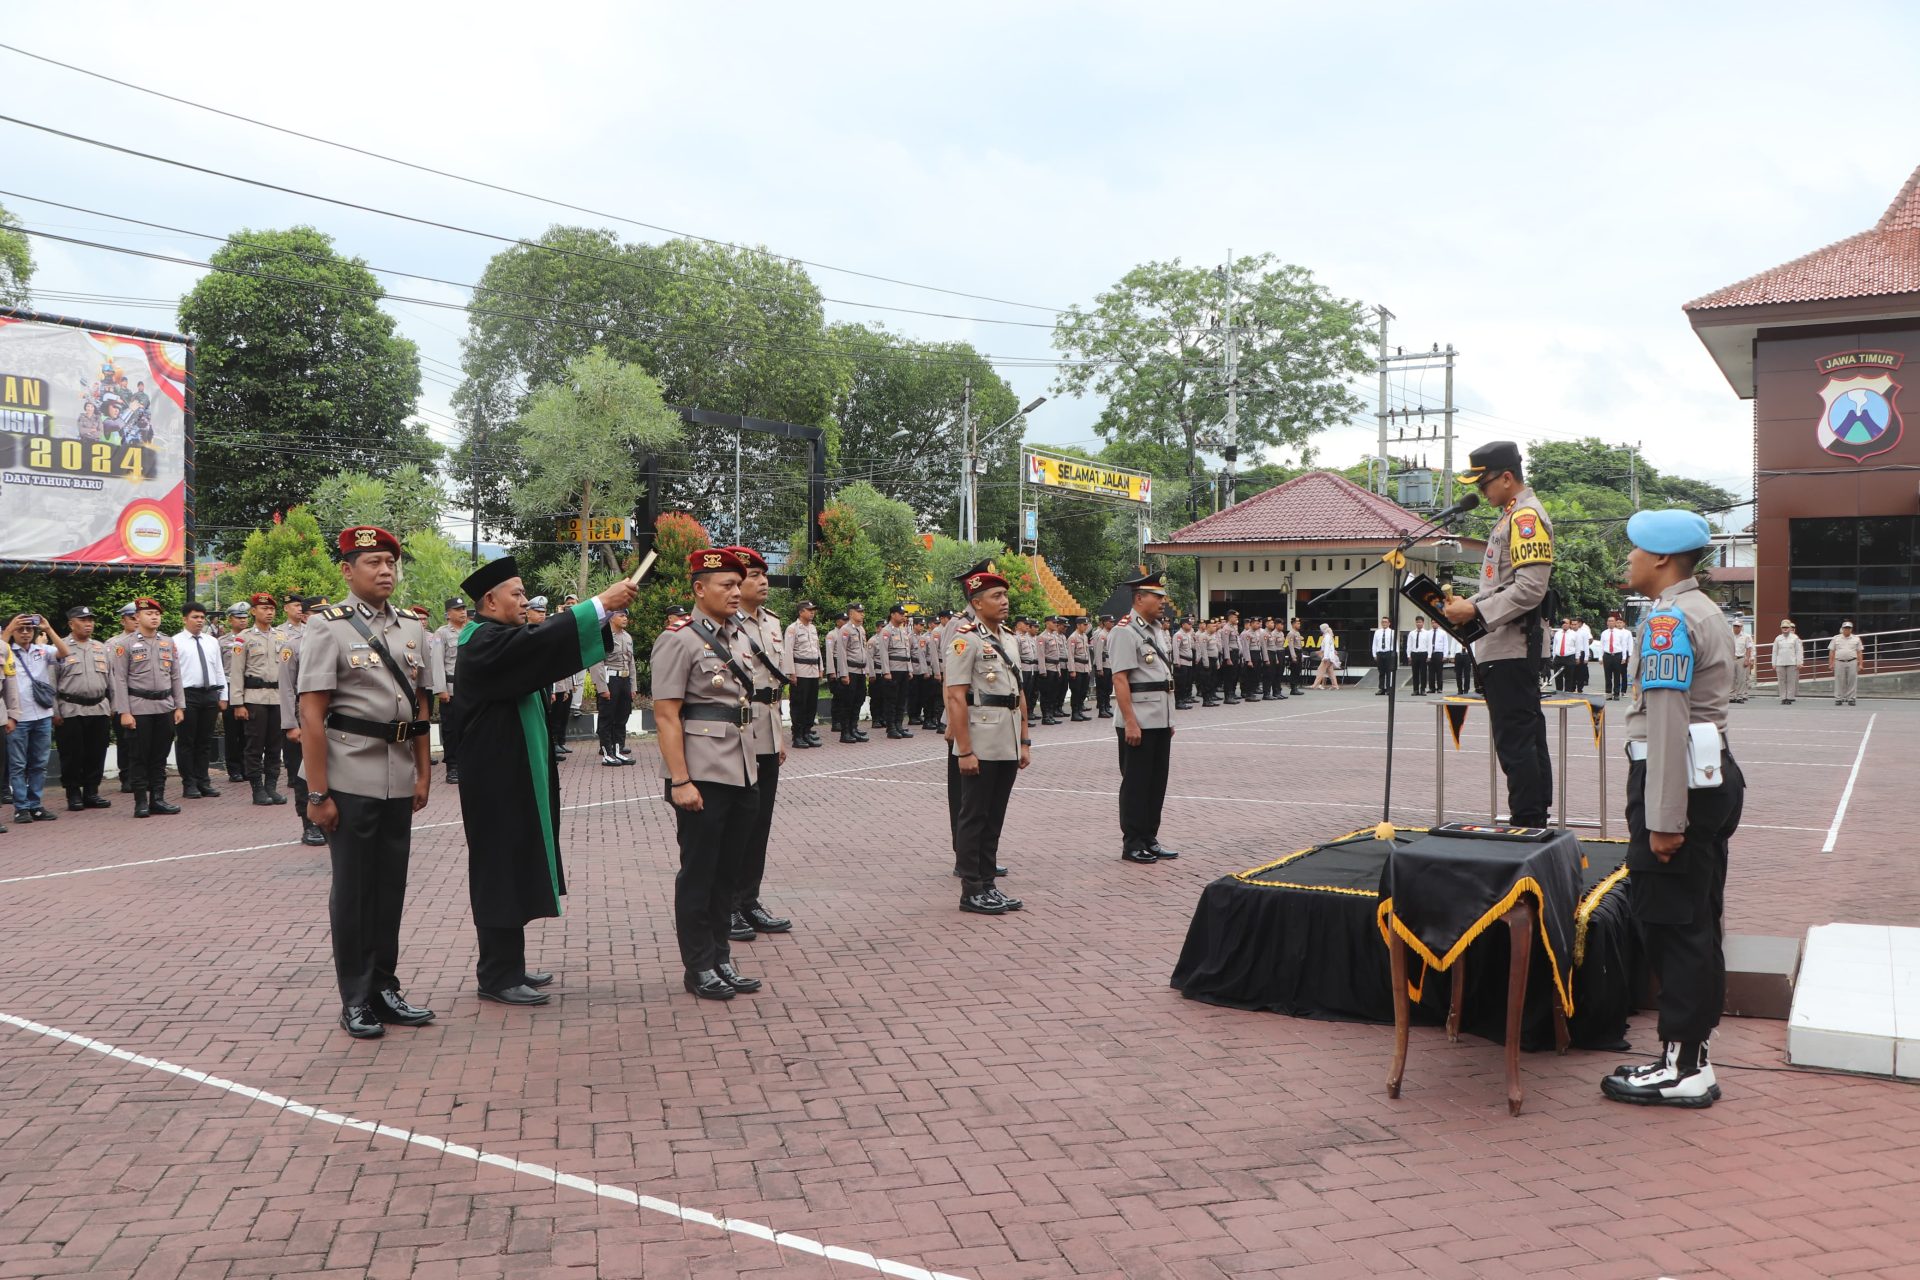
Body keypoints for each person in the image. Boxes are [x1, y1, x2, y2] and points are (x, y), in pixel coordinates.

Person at [448, 556, 633, 1009]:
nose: (525, 600)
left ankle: (510, 963)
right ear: (489, 600)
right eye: (516, 593)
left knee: (515, 865)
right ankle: (496, 974)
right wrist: (597, 605)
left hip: (515, 775)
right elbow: (539, 643)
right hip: (495, 782)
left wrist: (602, 615)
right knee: (498, 871)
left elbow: (542, 650)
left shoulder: (503, 639)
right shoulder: (481, 642)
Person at [1602, 509, 1741, 1109]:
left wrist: (1663, 818)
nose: (1626, 560)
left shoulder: (1669, 621)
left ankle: (1683, 1066)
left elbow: (1665, 722)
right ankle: (1692, 1057)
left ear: (1660, 559)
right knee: (1697, 920)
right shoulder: (1703, 610)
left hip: (1677, 779)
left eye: (1633, 551)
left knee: (1673, 924)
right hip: (1705, 775)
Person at [298, 527, 437, 1038]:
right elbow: (312, 715)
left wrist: (423, 771)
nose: (385, 571)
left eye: (390, 563)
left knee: (389, 889)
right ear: (347, 569)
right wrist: (317, 792)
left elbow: (421, 706)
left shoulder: (412, 629)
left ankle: (384, 987)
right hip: (349, 774)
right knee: (355, 890)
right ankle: (355, 998)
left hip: (397, 775)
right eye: (373, 561)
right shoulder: (326, 627)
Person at [651, 547, 764, 1001]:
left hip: (740, 769)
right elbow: (665, 715)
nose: (736, 592)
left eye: (739, 585)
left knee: (727, 872)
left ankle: (721, 957)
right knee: (698, 872)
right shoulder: (678, 640)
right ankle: (698, 966)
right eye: (727, 585)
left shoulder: (737, 636)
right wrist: (680, 780)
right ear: (700, 589)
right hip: (700, 773)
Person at [1444, 441, 1556, 827]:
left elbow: (1530, 589)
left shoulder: (1526, 518)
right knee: (1522, 738)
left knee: (1516, 741)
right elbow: (1501, 587)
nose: (1481, 492)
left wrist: (1475, 610)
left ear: (1507, 478)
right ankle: (1533, 817)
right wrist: (1469, 605)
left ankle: (1528, 824)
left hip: (1512, 647)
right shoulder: (1512, 515)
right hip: (1502, 645)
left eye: (1485, 482)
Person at [946, 565, 1031, 914]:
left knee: (994, 815)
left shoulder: (1008, 638)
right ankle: (971, 888)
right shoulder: (966, 638)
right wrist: (964, 750)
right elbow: (955, 697)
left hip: (1007, 738)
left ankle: (989, 883)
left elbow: (1019, 691)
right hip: (980, 739)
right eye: (996, 596)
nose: (1004, 601)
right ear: (977, 603)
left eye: (1005, 595)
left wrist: (1025, 739)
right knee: (974, 815)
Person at [723, 545, 794, 942]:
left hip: (766, 732)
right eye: (753, 576)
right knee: (737, 823)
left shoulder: (771, 623)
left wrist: (779, 736)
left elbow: (774, 689)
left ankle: (749, 900)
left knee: (760, 822)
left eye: (764, 575)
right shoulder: (726, 624)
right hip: (737, 736)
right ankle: (729, 905)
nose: (763, 581)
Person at [1110, 573, 1178, 864]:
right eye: (1157, 596)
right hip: (1138, 719)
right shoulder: (1125, 631)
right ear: (1139, 598)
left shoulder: (1155, 629)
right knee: (1136, 783)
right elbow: (1121, 679)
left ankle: (1150, 837)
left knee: (1156, 783)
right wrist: (1131, 722)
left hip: (1159, 718)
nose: (1162, 601)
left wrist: (1169, 718)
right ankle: (1133, 841)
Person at [109, 598, 184, 818]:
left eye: (157, 614)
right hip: (138, 708)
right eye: (148, 613)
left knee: (160, 757)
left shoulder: (168, 643)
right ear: (137, 617)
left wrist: (179, 706)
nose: (154, 617)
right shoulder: (125, 644)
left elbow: (175, 676)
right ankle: (141, 801)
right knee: (139, 757)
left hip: (164, 707)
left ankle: (158, 799)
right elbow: (119, 680)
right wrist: (124, 711)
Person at [274, 596, 328, 846]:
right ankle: (309, 824)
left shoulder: (334, 643)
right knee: (302, 774)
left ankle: (327, 821)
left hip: (330, 716)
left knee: (330, 770)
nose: (326, 616)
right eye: (319, 612)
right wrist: (290, 724)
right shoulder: (293, 646)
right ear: (305, 616)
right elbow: (285, 688)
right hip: (301, 714)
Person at [229, 592, 289, 807]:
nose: (269, 612)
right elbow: (236, 672)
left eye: (272, 609)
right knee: (254, 745)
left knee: (275, 746)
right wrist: (238, 703)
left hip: (278, 698)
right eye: (264, 608)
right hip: (254, 698)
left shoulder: (282, 636)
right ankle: (257, 788)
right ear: (254, 611)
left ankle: (271, 786)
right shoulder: (243, 638)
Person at [7, 614, 68, 823]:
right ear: (13, 631)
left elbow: (64, 652)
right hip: (17, 716)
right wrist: (8, 629)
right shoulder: (6, 650)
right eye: (20, 629)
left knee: (39, 764)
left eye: (29, 630)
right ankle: (21, 808)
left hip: (42, 715)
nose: (25, 633)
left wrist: (49, 629)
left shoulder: (41, 650)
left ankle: (36, 805)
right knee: (17, 764)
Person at [53, 606, 111, 813]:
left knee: (96, 753)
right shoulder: (59, 648)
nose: (89, 624)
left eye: (91, 620)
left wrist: (114, 706)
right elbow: (51, 683)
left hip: (99, 708)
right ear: (71, 624)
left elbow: (110, 680)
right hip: (71, 708)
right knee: (72, 755)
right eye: (83, 620)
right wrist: (55, 711)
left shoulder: (100, 647)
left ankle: (91, 792)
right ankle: (73, 794)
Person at [172, 601, 228, 800]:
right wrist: (176, 702)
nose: (199, 621)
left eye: (202, 617)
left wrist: (223, 695)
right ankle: (189, 783)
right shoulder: (175, 642)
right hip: (187, 695)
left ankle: (204, 781)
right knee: (187, 741)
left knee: (205, 741)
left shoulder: (212, 641)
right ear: (184, 619)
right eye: (195, 617)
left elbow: (218, 669)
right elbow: (172, 673)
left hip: (209, 694)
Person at [591, 607, 637, 765]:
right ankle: (607, 753)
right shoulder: (603, 637)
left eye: (626, 616)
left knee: (622, 717)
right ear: (611, 617)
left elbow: (631, 663)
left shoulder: (627, 637)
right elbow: (597, 663)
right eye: (621, 615)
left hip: (624, 681)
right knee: (607, 718)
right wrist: (602, 688)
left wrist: (633, 686)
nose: (625, 618)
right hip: (610, 680)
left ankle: (618, 751)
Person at [433, 597, 468, 783]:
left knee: (469, 728)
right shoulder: (442, 633)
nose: (462, 611)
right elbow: (437, 662)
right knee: (451, 730)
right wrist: (441, 689)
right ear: (448, 613)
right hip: (451, 688)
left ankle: (468, 764)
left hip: (469, 689)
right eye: (457, 609)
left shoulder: (471, 629)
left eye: (463, 608)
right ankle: (452, 767)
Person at [827, 604, 871, 743]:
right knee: (848, 702)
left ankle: (854, 728)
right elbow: (841, 652)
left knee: (859, 699)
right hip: (850, 671)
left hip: (860, 671)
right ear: (851, 614)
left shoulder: (861, 629)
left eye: (863, 612)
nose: (862, 614)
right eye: (859, 612)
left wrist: (867, 670)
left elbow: (864, 651)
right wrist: (843, 674)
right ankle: (845, 732)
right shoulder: (845, 630)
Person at [783, 601, 822, 747]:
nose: (812, 612)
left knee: (811, 704)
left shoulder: (813, 628)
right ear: (801, 612)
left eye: (813, 610)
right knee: (799, 704)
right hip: (800, 671)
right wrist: (791, 673)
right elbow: (788, 651)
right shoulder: (792, 629)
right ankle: (797, 736)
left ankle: (807, 732)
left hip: (813, 670)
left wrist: (821, 667)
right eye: (809, 610)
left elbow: (817, 650)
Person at [219, 602, 250, 784]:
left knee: (250, 731)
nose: (243, 621)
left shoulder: (252, 638)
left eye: (245, 617)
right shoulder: (221, 642)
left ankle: (249, 766)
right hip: (230, 687)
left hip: (250, 687)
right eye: (239, 618)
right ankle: (234, 769)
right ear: (230, 619)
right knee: (232, 732)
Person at [1600, 612, 1634, 701]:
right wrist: (1600, 657)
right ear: (1607, 623)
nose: (1610, 623)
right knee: (1607, 675)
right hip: (1607, 655)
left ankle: (1616, 693)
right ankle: (1608, 693)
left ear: (1615, 623)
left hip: (1617, 655)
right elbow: (1602, 646)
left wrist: (1624, 657)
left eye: (1612, 621)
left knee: (1617, 675)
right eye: (1609, 621)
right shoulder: (1604, 633)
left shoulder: (1620, 633)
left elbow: (1624, 645)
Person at [1067, 617, 1093, 721]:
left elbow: (1087, 654)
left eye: (1086, 625)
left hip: (1085, 668)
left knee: (1083, 691)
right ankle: (1075, 713)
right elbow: (1070, 655)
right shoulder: (1072, 638)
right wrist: (1072, 670)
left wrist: (1089, 667)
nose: (1086, 627)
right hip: (1077, 668)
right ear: (1078, 625)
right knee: (1076, 692)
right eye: (1084, 625)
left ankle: (1080, 711)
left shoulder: (1084, 636)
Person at [1830, 621, 1861, 706]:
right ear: (1842, 629)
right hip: (1839, 661)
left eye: (1849, 628)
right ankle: (1838, 698)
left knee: (1852, 680)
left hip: (1852, 661)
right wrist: (1831, 663)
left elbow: (1859, 652)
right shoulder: (1836, 638)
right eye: (1845, 628)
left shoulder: (1856, 638)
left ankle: (1851, 698)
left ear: (1851, 629)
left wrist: (1861, 664)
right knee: (1839, 680)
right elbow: (1832, 651)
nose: (1847, 630)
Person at [1015, 618, 1040, 724]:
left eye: (1029, 624)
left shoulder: (1028, 637)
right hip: (1024, 668)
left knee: (1030, 693)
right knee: (1023, 694)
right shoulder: (1016, 638)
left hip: (1031, 668)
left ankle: (1028, 714)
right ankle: (1022, 718)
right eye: (1026, 624)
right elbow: (1016, 656)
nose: (1028, 626)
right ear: (1019, 625)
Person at [1772, 619, 1803, 704]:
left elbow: (1798, 651)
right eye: (1783, 627)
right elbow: (1775, 651)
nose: (1785, 629)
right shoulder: (1778, 638)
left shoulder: (1795, 638)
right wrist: (1773, 663)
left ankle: (1789, 697)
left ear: (1790, 628)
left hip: (1791, 662)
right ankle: (1783, 697)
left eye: (1786, 627)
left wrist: (1799, 662)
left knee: (1791, 681)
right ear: (1781, 628)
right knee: (1781, 681)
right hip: (1780, 662)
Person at [1093, 615, 1116, 718]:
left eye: (1113, 621)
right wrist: (1099, 667)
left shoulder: (1109, 633)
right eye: (1110, 622)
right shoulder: (1101, 634)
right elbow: (1098, 652)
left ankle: (1106, 707)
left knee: (1108, 688)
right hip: (1103, 664)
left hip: (1109, 664)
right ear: (1105, 623)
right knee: (1102, 689)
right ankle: (1102, 710)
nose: (1112, 623)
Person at [1371, 617, 1399, 696]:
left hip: (1389, 653)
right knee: (1381, 672)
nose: (1384, 623)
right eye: (1383, 622)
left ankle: (1388, 689)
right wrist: (1374, 654)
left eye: (1386, 622)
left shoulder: (1392, 632)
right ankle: (1381, 688)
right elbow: (1374, 643)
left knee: (1389, 671)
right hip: (1380, 653)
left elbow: (1395, 644)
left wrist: (1395, 654)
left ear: (1389, 623)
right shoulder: (1377, 632)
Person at [1729, 619, 1755, 704]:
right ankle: (1732, 696)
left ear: (1741, 627)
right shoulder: (1729, 635)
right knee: (1731, 678)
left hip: (1741, 658)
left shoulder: (1746, 636)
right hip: (1731, 658)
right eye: (1735, 626)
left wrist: (1747, 659)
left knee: (1741, 679)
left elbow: (1749, 648)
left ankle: (1740, 696)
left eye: (1738, 626)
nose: (1736, 628)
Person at [1407, 617, 1433, 696]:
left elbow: (1429, 645)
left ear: (1423, 623)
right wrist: (1409, 655)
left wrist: (1429, 655)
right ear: (1415, 623)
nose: (1419, 623)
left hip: (1423, 654)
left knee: (1423, 672)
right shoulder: (1412, 633)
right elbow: (1409, 645)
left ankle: (1423, 689)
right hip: (1414, 654)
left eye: (1420, 622)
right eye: (1417, 622)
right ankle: (1415, 690)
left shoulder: (1427, 633)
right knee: (1415, 673)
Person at [1313, 623, 1341, 690]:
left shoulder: (1327, 636)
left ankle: (1315, 685)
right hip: (1329, 657)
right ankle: (1335, 685)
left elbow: (1327, 647)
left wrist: (1325, 657)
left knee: (1320, 670)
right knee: (1330, 672)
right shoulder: (1328, 636)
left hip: (1327, 657)